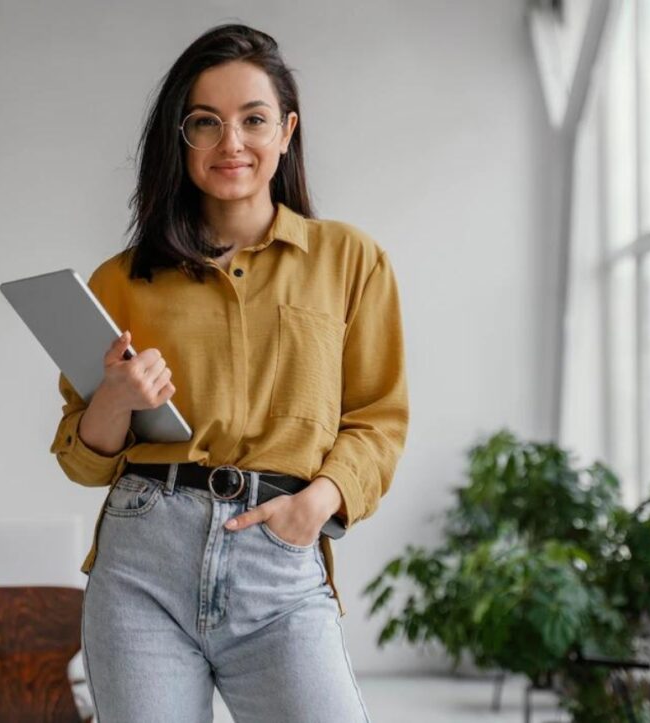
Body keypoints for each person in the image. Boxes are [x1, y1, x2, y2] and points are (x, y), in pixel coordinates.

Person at [49, 23, 409, 723]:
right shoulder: (121, 281)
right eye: (205, 123)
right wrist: (116, 401)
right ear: (179, 139)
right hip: (141, 565)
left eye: (253, 119)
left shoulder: (350, 261)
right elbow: (84, 459)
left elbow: (378, 417)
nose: (231, 143)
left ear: (287, 130)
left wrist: (320, 500)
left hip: (279, 558)